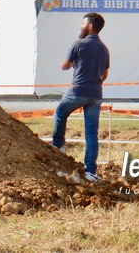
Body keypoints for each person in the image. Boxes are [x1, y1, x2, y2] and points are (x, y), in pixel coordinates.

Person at [51, 12, 109, 183]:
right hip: (96, 94)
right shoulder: (104, 48)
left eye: (83, 23)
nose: (81, 26)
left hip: (78, 91)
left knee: (61, 112)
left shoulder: (79, 44)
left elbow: (64, 66)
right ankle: (91, 171)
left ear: (90, 26)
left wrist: (72, 63)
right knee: (92, 134)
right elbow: (104, 74)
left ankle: (58, 144)